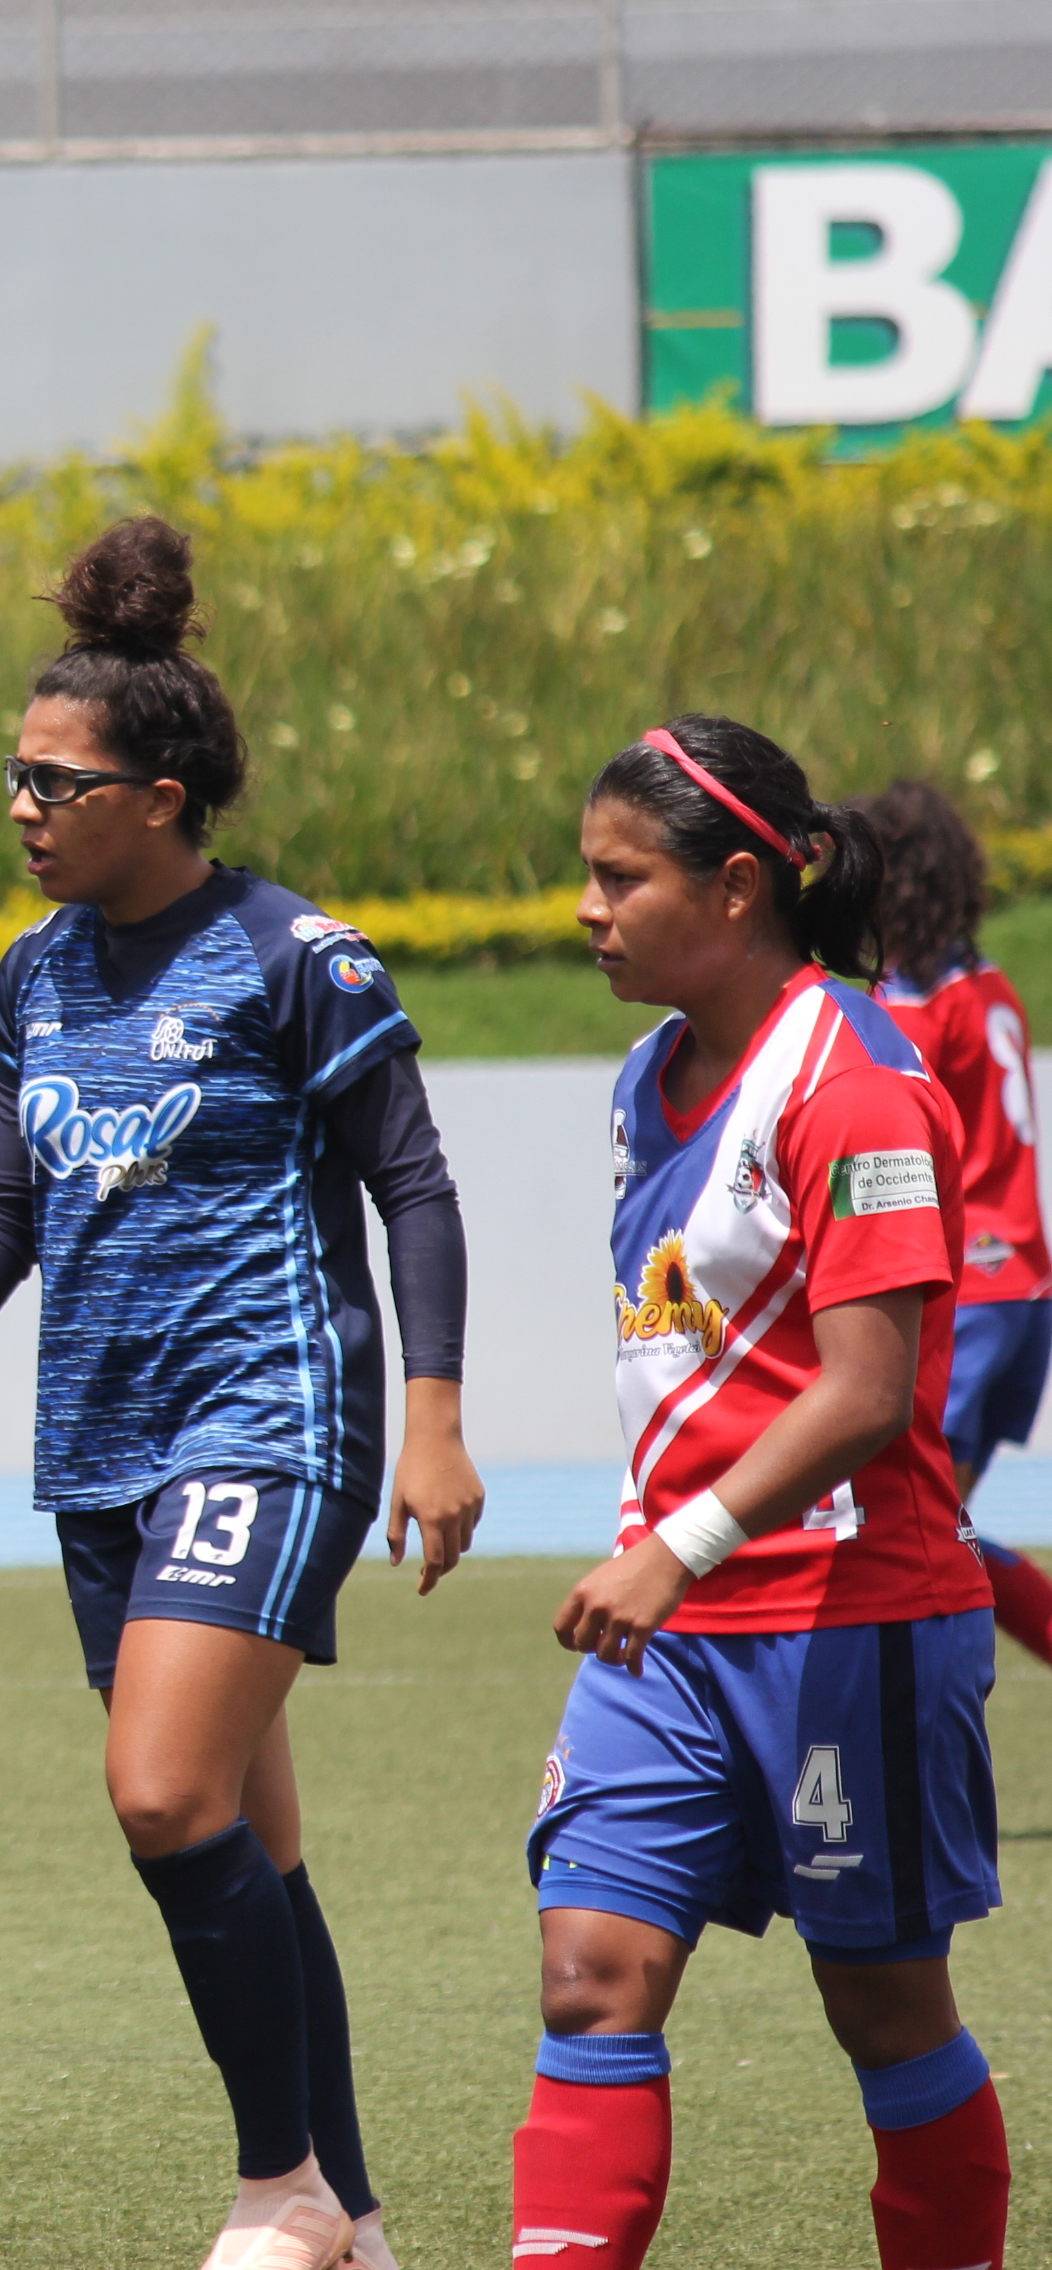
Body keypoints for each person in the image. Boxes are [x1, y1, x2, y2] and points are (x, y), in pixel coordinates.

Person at [0, 517, 481, 2270]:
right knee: (254, 1831)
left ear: (162, 794)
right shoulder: (33, 975)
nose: (21, 806)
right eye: (11, 774)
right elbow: (2, 1207)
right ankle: (357, 2206)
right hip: (98, 1439)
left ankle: (275, 2191)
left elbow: (410, 1179)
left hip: (267, 1413)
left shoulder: (292, 956)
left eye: (53, 780)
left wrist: (433, 1412)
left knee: (163, 1795)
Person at [520, 718, 1008, 2270]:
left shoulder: (860, 1079)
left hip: (846, 1619)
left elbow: (869, 1393)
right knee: (591, 1974)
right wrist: (667, 1556)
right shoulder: (642, 1077)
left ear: (739, 887)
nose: (587, 910)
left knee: (882, 2006)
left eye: (619, 877)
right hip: (669, 1630)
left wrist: (685, 1541)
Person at [860, 777, 1052, 1668]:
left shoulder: (912, 1006)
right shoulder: (992, 986)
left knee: (926, 1530)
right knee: (940, 1520)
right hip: (1024, 1290)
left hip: (968, 1297)